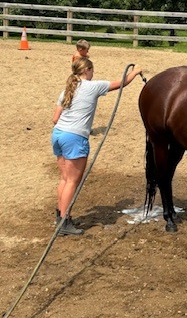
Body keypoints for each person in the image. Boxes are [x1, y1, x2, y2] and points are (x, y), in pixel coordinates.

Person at [52, 58, 143, 235]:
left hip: (58, 134)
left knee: (64, 178)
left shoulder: (66, 91)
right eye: (92, 70)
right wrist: (136, 71)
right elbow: (122, 83)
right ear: (87, 70)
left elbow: (55, 118)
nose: (94, 74)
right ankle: (64, 222)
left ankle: (60, 215)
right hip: (74, 137)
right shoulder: (93, 86)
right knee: (72, 181)